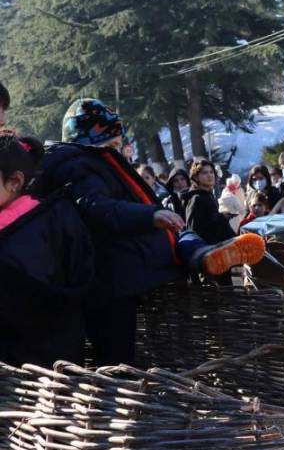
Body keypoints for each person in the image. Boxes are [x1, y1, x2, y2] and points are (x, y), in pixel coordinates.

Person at [40, 98, 265, 365]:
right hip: (108, 277)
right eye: (111, 145)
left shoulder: (88, 163)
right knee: (116, 358)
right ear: (90, 140)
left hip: (118, 268)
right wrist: (151, 215)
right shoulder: (79, 166)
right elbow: (98, 208)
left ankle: (204, 254)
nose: (118, 150)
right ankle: (202, 256)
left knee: (182, 235)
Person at [0, 134, 94, 367]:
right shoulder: (49, 216)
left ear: (14, 182)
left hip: (33, 367)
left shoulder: (26, 233)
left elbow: (30, 304)